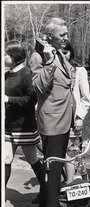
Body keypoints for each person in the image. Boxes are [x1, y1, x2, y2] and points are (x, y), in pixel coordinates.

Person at [30, 17, 76, 207]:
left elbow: (67, 79)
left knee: (55, 163)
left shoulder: (58, 52)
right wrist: (48, 62)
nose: (66, 38)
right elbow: (38, 87)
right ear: (49, 36)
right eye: (62, 35)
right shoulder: (39, 56)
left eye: (66, 34)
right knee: (54, 165)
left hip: (64, 116)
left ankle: (44, 204)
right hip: (52, 119)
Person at [4, 40, 42, 193]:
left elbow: (31, 99)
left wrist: (8, 99)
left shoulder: (26, 73)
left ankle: (46, 192)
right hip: (8, 125)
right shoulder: (7, 74)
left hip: (24, 126)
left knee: (32, 160)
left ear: (15, 56)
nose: (3, 56)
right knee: (6, 159)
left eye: (6, 54)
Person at [62, 41, 90, 183]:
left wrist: (79, 117)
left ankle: (71, 182)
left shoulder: (79, 71)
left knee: (71, 151)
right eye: (60, 53)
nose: (63, 56)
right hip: (57, 118)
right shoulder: (53, 69)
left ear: (71, 53)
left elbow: (86, 98)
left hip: (73, 117)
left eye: (66, 52)